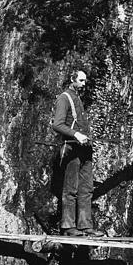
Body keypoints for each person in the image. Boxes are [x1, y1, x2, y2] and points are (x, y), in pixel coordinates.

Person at [51, 70, 104, 237]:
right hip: (71, 148)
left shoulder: (77, 98)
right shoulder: (64, 98)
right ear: (72, 80)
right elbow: (57, 124)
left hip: (84, 149)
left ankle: (85, 226)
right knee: (70, 189)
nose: (84, 84)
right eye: (81, 80)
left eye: (85, 81)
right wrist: (76, 134)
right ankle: (68, 227)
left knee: (87, 188)